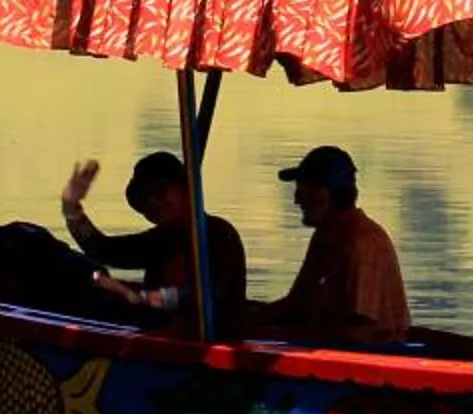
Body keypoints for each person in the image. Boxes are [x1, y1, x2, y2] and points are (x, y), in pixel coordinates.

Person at [61, 150, 247, 334]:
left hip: (207, 343)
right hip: (161, 334)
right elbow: (103, 250)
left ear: (185, 189)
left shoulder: (219, 235)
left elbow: (204, 295)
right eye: (144, 198)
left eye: (160, 192)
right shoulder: (164, 238)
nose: (153, 202)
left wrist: (141, 297)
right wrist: (71, 207)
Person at [245, 144, 411, 346]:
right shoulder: (324, 237)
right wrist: (246, 318)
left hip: (374, 364)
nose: (297, 199)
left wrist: (292, 337)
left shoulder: (364, 242)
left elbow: (360, 332)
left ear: (323, 194)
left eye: (302, 189)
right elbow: (296, 305)